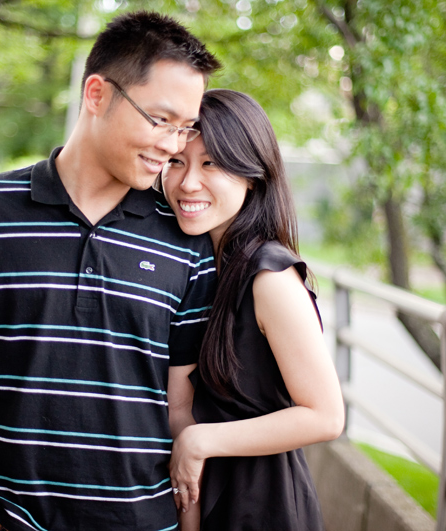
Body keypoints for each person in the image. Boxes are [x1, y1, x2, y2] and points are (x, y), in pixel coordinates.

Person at [0, 12, 220, 531]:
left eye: (185, 126)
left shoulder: (187, 240)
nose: (173, 144)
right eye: (160, 119)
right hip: (7, 518)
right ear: (97, 95)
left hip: (143, 521)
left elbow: (180, 407)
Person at [161, 89, 346, 530]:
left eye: (211, 163)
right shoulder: (197, 266)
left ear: (252, 175)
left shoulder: (270, 276)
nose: (188, 183)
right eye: (176, 161)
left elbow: (325, 415)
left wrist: (201, 439)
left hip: (263, 506)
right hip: (205, 498)